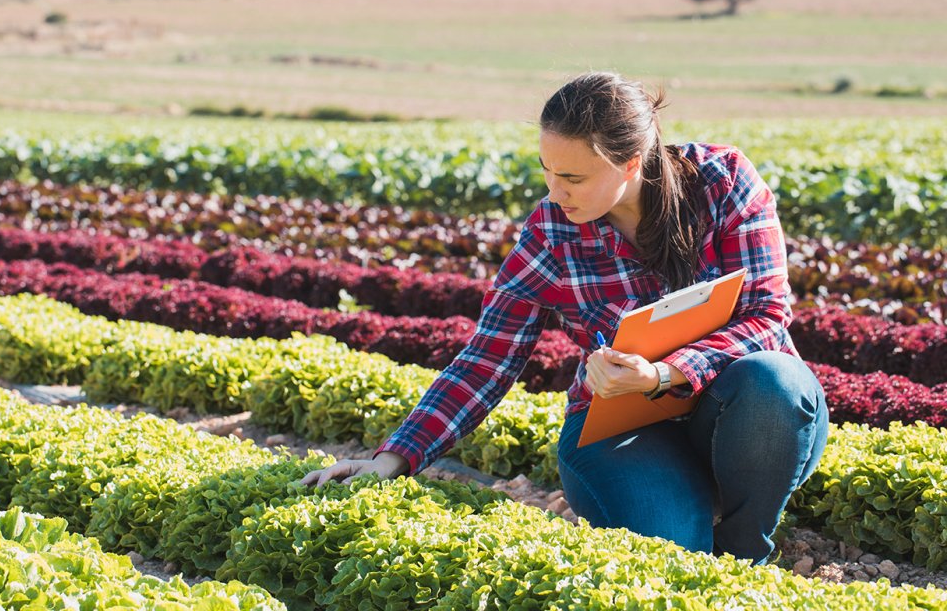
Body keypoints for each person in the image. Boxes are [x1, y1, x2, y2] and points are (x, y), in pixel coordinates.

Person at [300, 71, 829, 566]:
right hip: (622, 430)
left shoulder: (722, 183)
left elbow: (766, 315)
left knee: (774, 379)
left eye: (573, 176)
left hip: (746, 413)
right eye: (547, 172)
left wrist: (666, 373)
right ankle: (683, 508)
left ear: (630, 163)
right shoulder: (551, 233)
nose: (555, 193)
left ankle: (744, 553)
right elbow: (486, 359)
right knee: (675, 553)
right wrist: (394, 457)